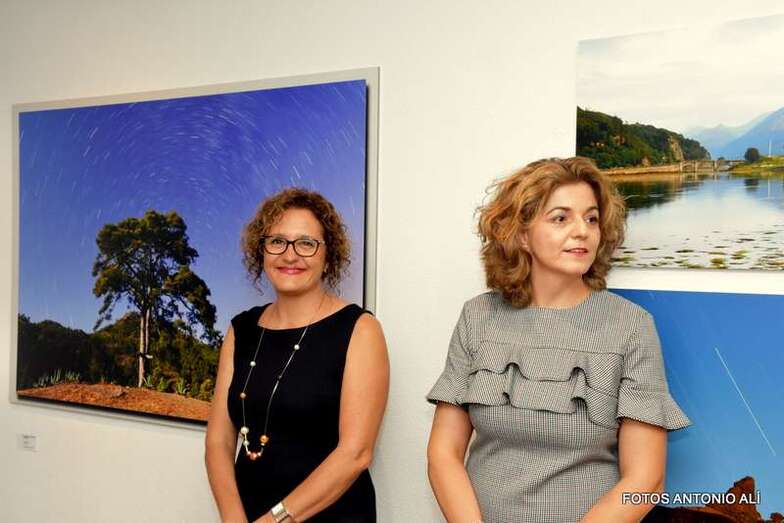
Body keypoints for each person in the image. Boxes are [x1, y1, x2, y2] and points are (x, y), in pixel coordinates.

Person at [426, 157, 691, 523]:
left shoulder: (630, 326)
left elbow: (645, 480)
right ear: (520, 234)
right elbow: (444, 453)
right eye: (561, 218)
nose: (582, 231)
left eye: (591, 218)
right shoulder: (478, 317)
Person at [206, 188, 389, 523]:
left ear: (328, 254)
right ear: (260, 251)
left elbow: (356, 454)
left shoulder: (360, 330)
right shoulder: (241, 330)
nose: (290, 255)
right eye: (277, 241)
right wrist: (234, 519)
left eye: (306, 243)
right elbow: (218, 441)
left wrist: (274, 520)